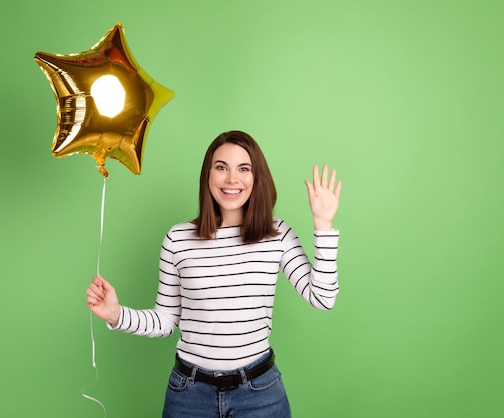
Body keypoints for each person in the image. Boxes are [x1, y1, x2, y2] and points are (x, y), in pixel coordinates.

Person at [86, 130, 342, 417]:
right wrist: (116, 314)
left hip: (259, 394)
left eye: (244, 169)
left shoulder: (276, 234)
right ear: (207, 176)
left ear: (256, 178)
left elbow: (322, 297)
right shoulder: (178, 239)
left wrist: (323, 223)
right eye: (221, 167)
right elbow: (166, 320)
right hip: (189, 395)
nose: (232, 179)